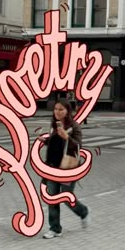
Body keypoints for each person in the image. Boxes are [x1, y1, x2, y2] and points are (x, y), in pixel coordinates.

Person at [38, 98, 90, 239]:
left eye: (61, 109)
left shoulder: (74, 126)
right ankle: (55, 228)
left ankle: (83, 211)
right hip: (52, 167)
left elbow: (78, 146)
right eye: (56, 109)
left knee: (67, 198)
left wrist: (67, 137)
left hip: (67, 168)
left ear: (67, 111)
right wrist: (47, 141)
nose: (57, 112)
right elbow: (55, 142)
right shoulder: (54, 124)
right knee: (52, 198)